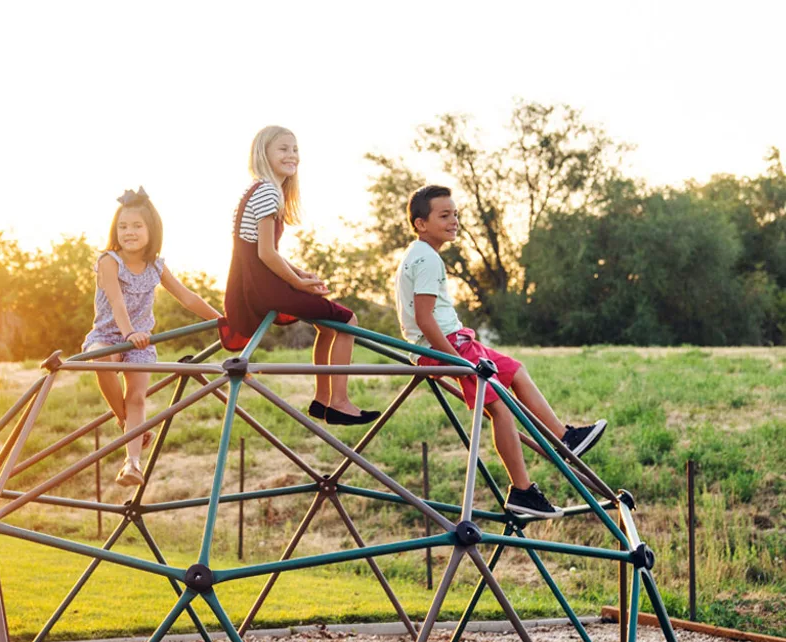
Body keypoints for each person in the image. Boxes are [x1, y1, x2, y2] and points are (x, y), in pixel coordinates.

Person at [395, 185, 606, 518]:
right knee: (501, 409)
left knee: (515, 374)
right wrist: (454, 358)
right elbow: (424, 318)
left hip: (452, 344)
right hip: (446, 349)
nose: (454, 221)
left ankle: (564, 438)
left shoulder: (419, 254)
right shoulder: (427, 259)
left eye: (456, 214)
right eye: (444, 215)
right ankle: (523, 489)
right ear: (421, 223)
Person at [222, 125, 380, 426]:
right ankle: (340, 402)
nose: (291, 155)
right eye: (283, 149)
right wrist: (296, 283)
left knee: (328, 327)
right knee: (348, 321)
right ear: (263, 153)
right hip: (263, 287)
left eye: (295, 149)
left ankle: (323, 401)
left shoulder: (257, 190)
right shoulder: (268, 191)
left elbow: (263, 250)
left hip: (254, 284)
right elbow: (265, 254)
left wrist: (300, 273)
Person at [83, 188, 222, 486]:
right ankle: (124, 422)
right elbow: (117, 302)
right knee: (100, 358)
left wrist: (221, 320)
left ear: (151, 230)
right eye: (123, 227)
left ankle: (132, 464)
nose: (129, 232)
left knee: (137, 396)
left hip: (141, 341)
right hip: (109, 335)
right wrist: (128, 332)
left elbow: (188, 298)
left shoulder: (157, 266)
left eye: (136, 226)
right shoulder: (109, 261)